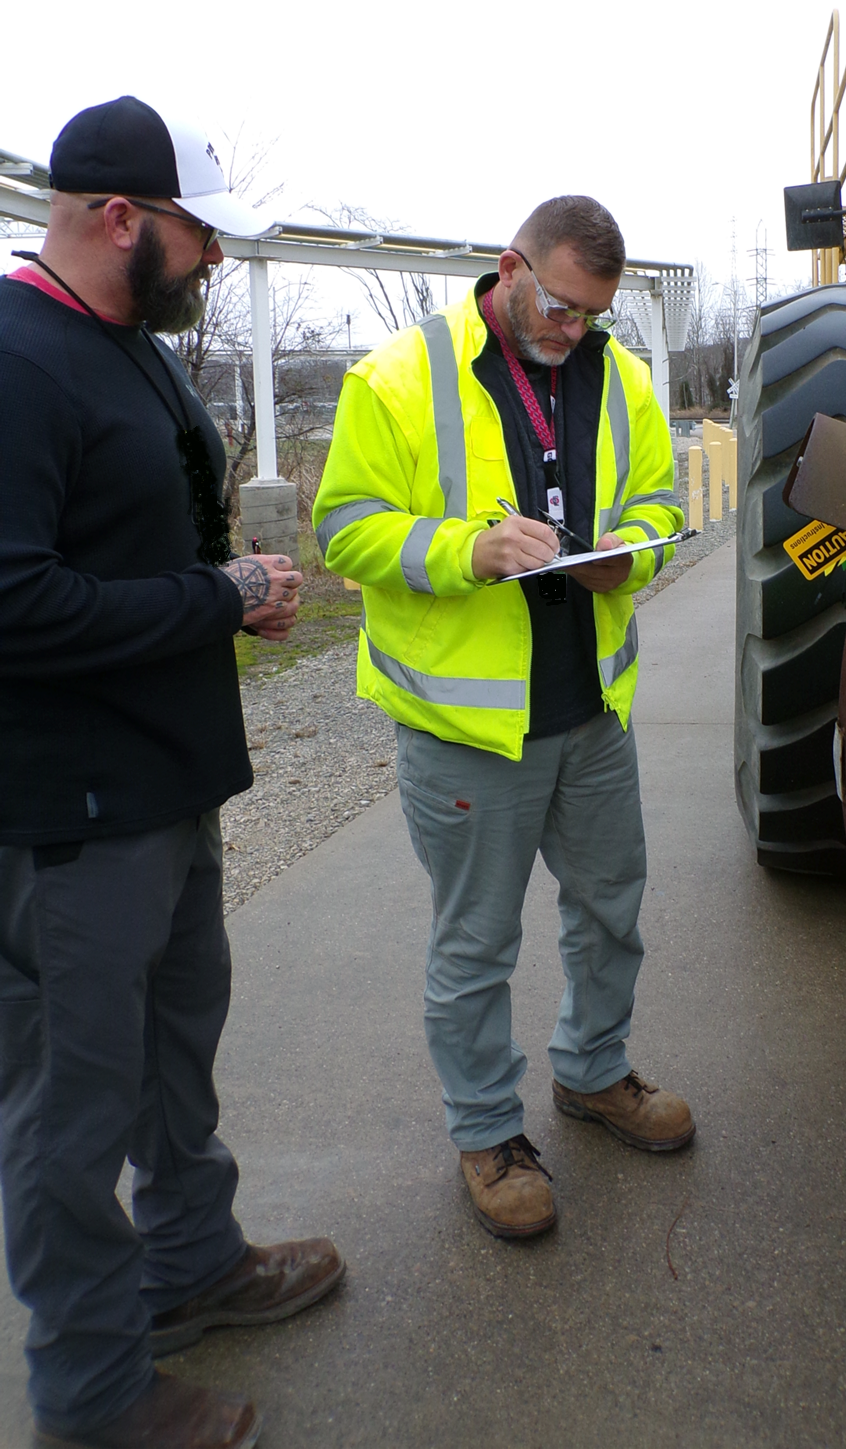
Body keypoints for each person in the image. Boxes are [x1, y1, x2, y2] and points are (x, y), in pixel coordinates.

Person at [0, 97, 345, 1449]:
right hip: (66, 822)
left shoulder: (127, 346)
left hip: (163, 789)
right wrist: (218, 593)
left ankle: (191, 1266)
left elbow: (155, 554)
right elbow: (15, 604)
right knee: (69, 1116)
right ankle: (91, 1397)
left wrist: (230, 598)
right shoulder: (19, 361)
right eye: (199, 237)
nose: (209, 264)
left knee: (173, 1054)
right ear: (120, 216)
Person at [313, 195, 693, 1239]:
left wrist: (635, 553)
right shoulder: (396, 378)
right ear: (509, 266)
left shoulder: (620, 376)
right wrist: (462, 551)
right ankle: (487, 1134)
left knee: (612, 904)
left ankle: (592, 1072)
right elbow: (343, 529)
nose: (575, 332)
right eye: (561, 307)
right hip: (468, 731)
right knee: (477, 943)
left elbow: (661, 507)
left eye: (592, 314)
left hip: (589, 713)